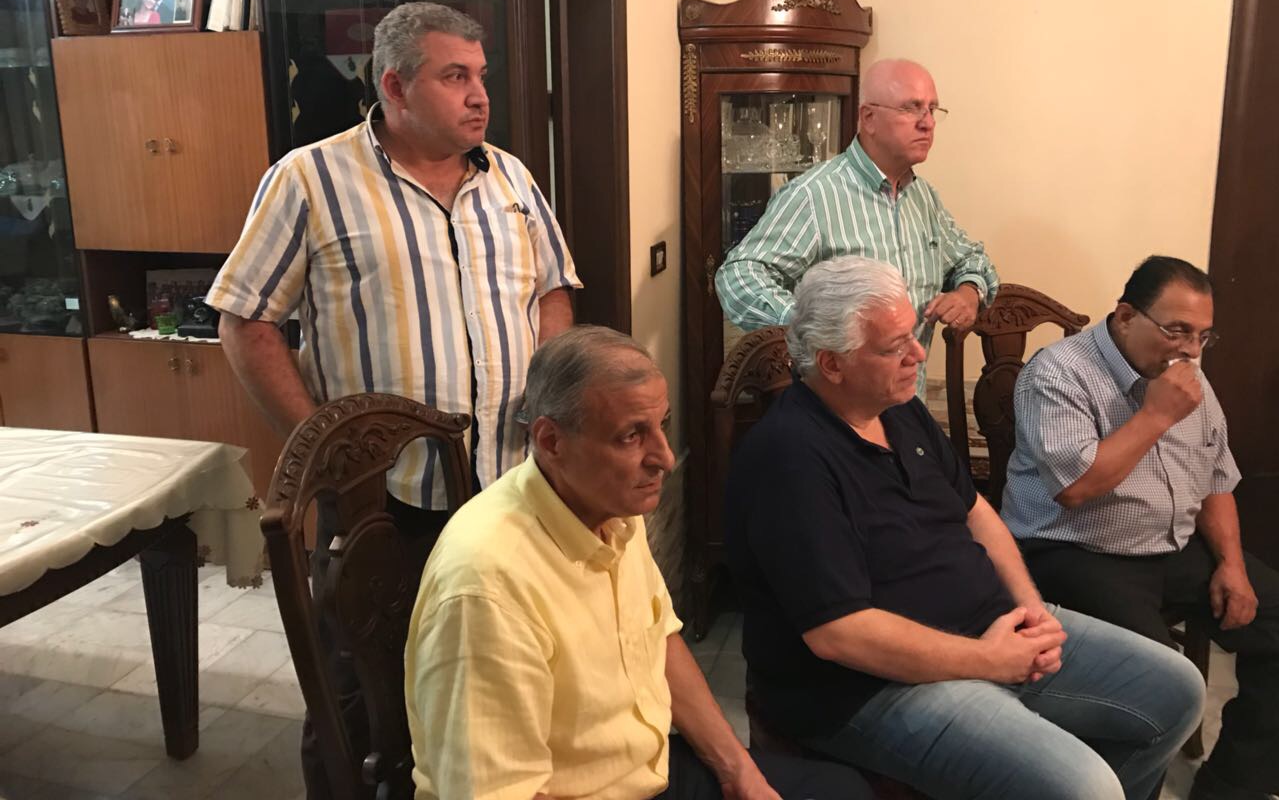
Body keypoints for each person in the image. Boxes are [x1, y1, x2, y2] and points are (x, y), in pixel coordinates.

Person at [205, 1, 579, 798]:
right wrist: (322, 447)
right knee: (360, 694)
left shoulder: (511, 177)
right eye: (455, 76)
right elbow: (245, 320)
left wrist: (546, 394)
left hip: (507, 484)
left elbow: (553, 290)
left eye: (482, 76)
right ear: (396, 87)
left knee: (488, 673)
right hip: (381, 498)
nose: (480, 95)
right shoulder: (310, 179)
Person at [725, 255, 1205, 800]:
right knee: (1086, 787)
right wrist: (991, 662)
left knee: (1178, 693)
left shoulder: (896, 408)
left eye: (914, 334)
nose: (917, 355)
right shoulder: (789, 457)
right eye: (894, 347)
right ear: (832, 364)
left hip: (992, 627)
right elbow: (840, 634)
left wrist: (1032, 612)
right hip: (872, 687)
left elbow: (976, 511)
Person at [407, 325, 871, 800]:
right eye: (631, 436)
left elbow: (659, 638)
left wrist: (739, 772)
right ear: (550, 441)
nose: (665, 459)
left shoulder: (607, 505)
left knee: (841, 790)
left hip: (644, 769)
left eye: (661, 425)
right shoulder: (486, 586)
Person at [1002, 255, 1279, 800]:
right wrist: (1156, 416)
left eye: (1203, 335)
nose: (1191, 350)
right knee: (1159, 684)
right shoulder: (1058, 372)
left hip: (1171, 546)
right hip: (1075, 550)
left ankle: (1231, 788)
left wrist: (1231, 563)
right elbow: (1076, 487)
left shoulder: (1190, 379)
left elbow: (1216, 477)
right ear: (1127, 316)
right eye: (1177, 330)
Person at [715, 59, 998, 394]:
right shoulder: (815, 195)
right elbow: (737, 276)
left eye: (932, 109)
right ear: (869, 118)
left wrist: (969, 291)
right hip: (838, 408)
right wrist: (814, 329)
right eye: (911, 108)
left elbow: (972, 259)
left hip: (909, 404)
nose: (927, 123)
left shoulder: (922, 197)